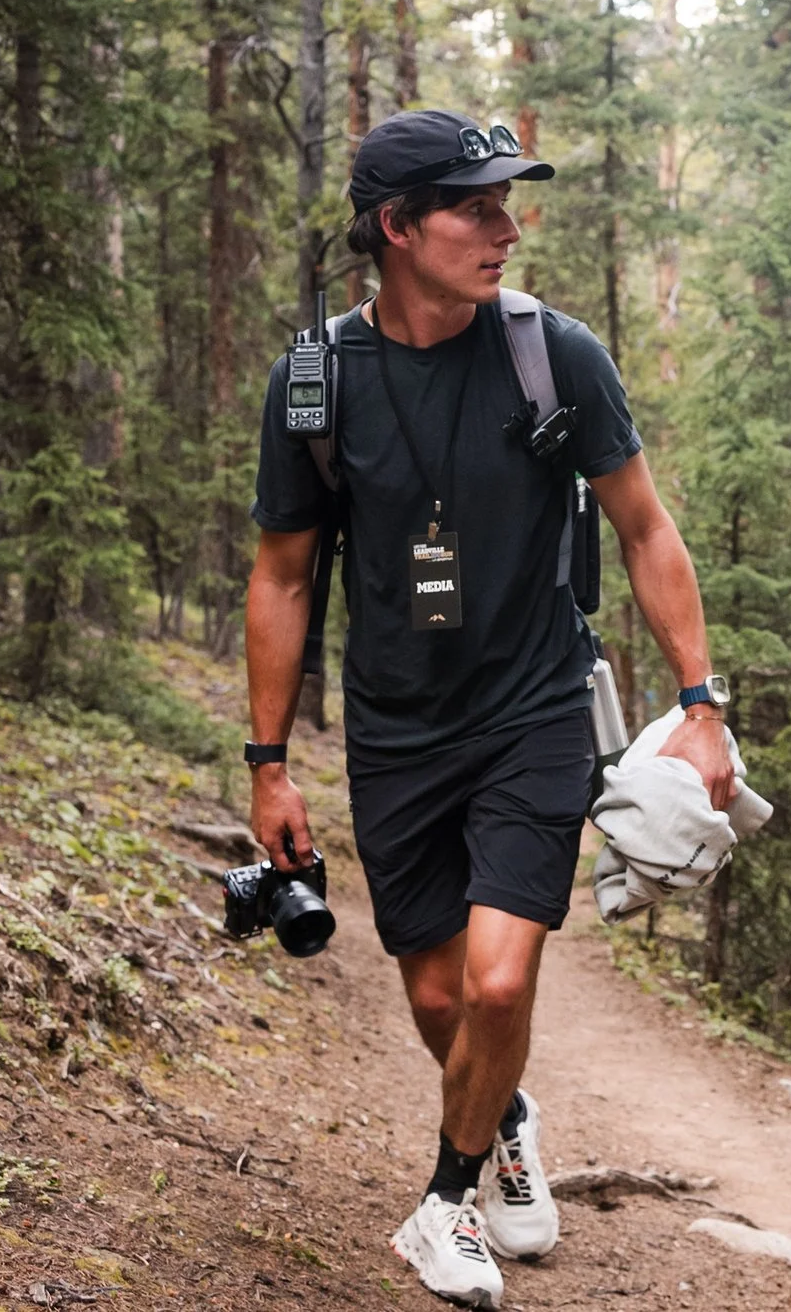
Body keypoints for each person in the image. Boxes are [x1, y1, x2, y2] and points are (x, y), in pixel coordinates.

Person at [242, 108, 735, 1310]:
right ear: (398, 227)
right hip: (398, 726)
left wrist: (701, 703)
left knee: (503, 984)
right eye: (479, 208)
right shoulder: (317, 384)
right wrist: (267, 764)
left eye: (510, 204)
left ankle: (443, 1201)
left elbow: (645, 525)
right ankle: (503, 1119)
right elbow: (283, 575)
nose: (507, 230)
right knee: (440, 998)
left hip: (532, 710)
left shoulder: (551, 354)